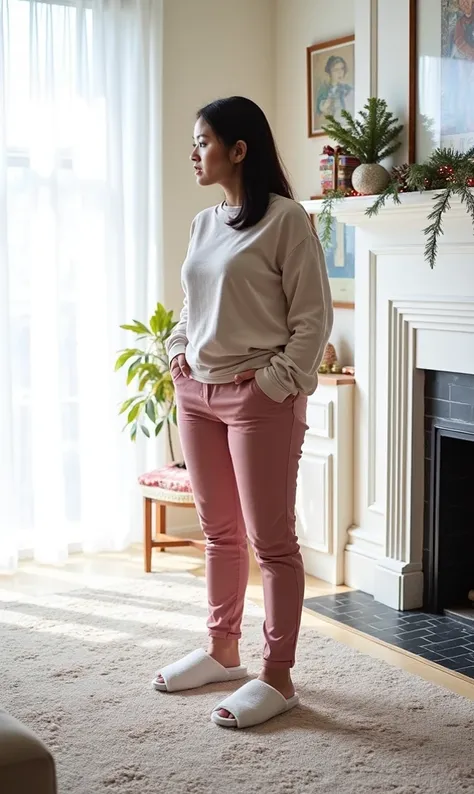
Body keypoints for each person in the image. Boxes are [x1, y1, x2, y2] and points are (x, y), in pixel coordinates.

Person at [152, 96, 333, 729]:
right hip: (197, 394)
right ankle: (222, 650)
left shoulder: (287, 221)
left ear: (239, 149)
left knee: (272, 542)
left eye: (202, 141)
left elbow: (312, 319)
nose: (194, 153)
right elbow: (189, 307)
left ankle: (277, 676)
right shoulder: (206, 224)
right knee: (219, 532)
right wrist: (178, 353)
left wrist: (277, 383)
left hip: (259, 398)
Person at [316, 55, 353, 123]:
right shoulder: (323, 90)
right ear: (329, 72)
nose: (340, 72)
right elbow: (319, 115)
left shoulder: (348, 89)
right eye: (336, 70)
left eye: (342, 68)